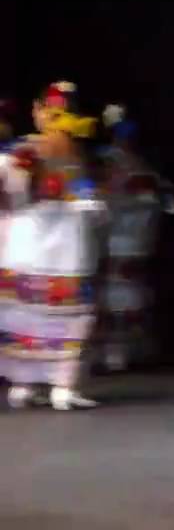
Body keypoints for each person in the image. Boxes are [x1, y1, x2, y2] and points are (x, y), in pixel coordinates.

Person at [0, 82, 106, 410]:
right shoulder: (51, 152)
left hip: (39, 242)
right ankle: (57, 386)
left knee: (30, 315)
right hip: (53, 243)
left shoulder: (32, 150)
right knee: (46, 316)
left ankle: (27, 386)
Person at [98, 104, 174, 372]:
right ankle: (112, 349)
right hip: (115, 234)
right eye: (119, 129)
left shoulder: (143, 162)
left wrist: (158, 195)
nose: (125, 135)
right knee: (115, 292)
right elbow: (105, 194)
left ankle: (133, 349)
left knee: (135, 290)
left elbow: (168, 198)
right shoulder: (106, 159)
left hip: (140, 235)